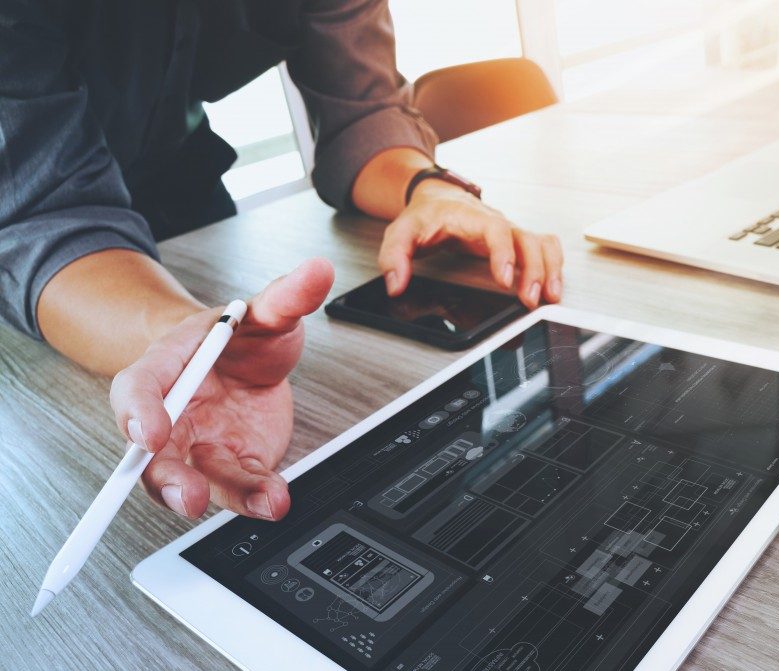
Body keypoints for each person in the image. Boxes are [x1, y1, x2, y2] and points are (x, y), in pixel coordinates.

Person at [0, 1, 564, 522]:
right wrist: (181, 338)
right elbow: (45, 215)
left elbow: (363, 113)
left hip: (183, 178)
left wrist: (428, 188)